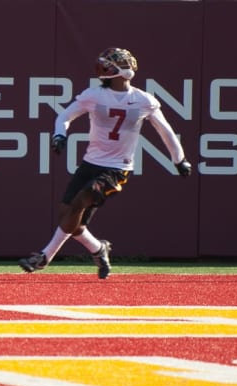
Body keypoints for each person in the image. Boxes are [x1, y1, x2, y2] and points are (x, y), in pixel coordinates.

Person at [18, 47, 192, 279]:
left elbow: (165, 130)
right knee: (69, 218)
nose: (104, 67)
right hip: (90, 163)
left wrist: (179, 159)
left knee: (79, 204)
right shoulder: (94, 95)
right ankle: (98, 249)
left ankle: (43, 257)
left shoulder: (143, 100)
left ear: (123, 71)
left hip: (117, 167)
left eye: (111, 64)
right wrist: (59, 134)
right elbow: (65, 116)